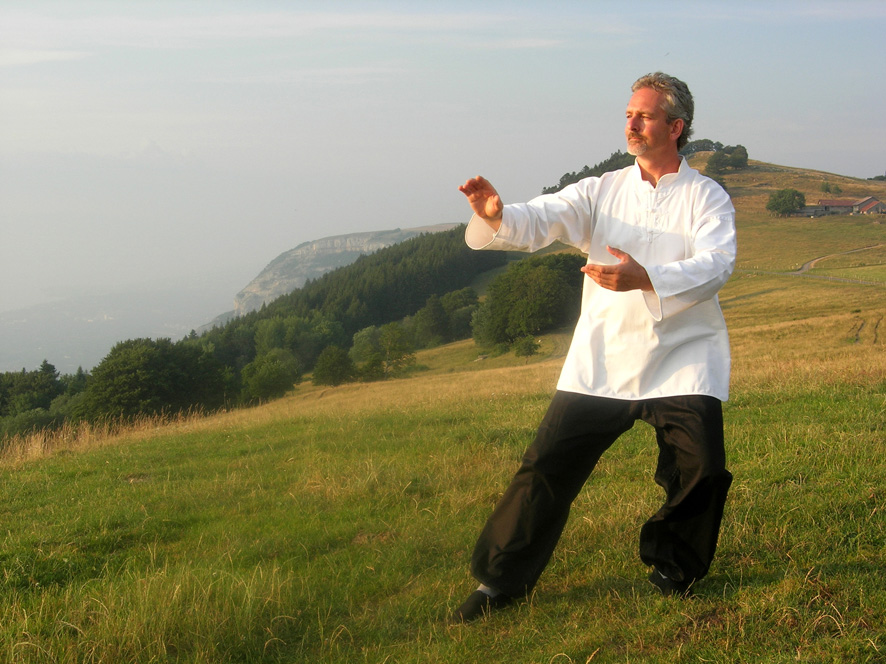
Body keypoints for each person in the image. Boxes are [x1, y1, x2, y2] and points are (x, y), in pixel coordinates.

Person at [450, 72, 736, 623]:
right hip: (605, 356)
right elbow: (546, 216)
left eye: (645, 115)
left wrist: (646, 277)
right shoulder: (602, 189)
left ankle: (674, 566)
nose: (630, 123)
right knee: (547, 467)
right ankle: (500, 582)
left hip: (684, 356)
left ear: (676, 127)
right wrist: (499, 216)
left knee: (702, 468)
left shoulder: (707, 196)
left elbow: (716, 264)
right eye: (628, 113)